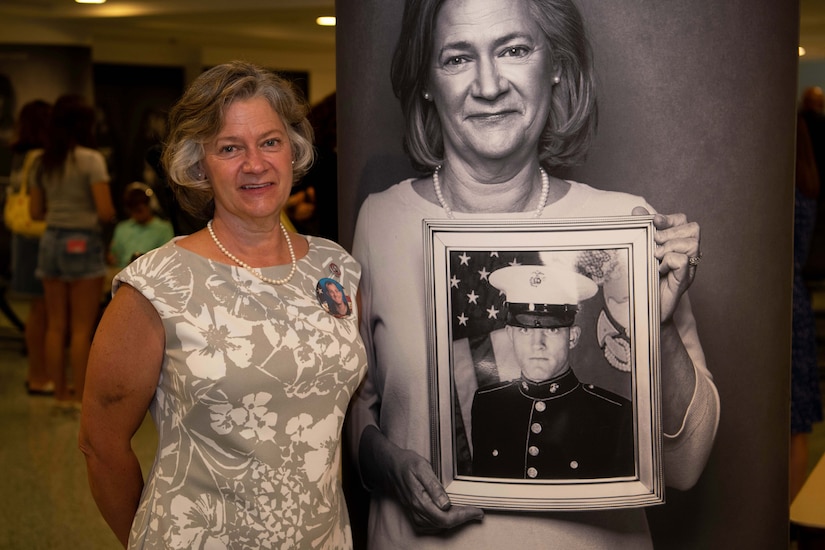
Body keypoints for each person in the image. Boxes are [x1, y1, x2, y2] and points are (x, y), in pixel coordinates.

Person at [347, 0, 720, 548]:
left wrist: (654, 329)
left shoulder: (626, 227)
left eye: (514, 50)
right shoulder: (381, 221)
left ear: (556, 67)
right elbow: (358, 408)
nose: (489, 84)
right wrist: (388, 466)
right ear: (428, 81)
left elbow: (687, 466)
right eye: (456, 58)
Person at [78, 60, 367, 549]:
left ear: (293, 151)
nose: (255, 164)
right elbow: (100, 444)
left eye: (270, 142)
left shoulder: (336, 267)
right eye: (230, 148)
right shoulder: (156, 284)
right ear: (197, 164)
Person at [470, 264, 634, 480]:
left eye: (552, 329)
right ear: (510, 335)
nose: (538, 344)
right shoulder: (487, 405)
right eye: (525, 330)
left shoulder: (614, 414)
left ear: (573, 337)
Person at [29, 94, 115, 407]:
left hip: (51, 239)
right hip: (81, 241)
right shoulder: (91, 159)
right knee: (81, 329)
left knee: (55, 325)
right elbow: (105, 211)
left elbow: (36, 212)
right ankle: (80, 397)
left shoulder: (41, 162)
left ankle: (61, 396)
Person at [6, 99, 51, 394]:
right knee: (43, 310)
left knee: (39, 309)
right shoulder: (40, 157)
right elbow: (41, 205)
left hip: (22, 237)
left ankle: (36, 372)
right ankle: (38, 374)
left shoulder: (20, 156)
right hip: (38, 237)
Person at [790, 107, 823, 503]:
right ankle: (792, 518)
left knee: (786, 418)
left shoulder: (779, 192)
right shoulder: (808, 185)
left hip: (784, 306)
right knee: (798, 424)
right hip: (798, 298)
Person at [107, 182, 174, 268]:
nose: (137, 215)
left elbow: (167, 258)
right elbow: (113, 255)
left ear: (149, 206)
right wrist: (111, 258)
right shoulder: (122, 228)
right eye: (133, 211)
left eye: (139, 210)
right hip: (122, 272)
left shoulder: (163, 229)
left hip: (151, 273)